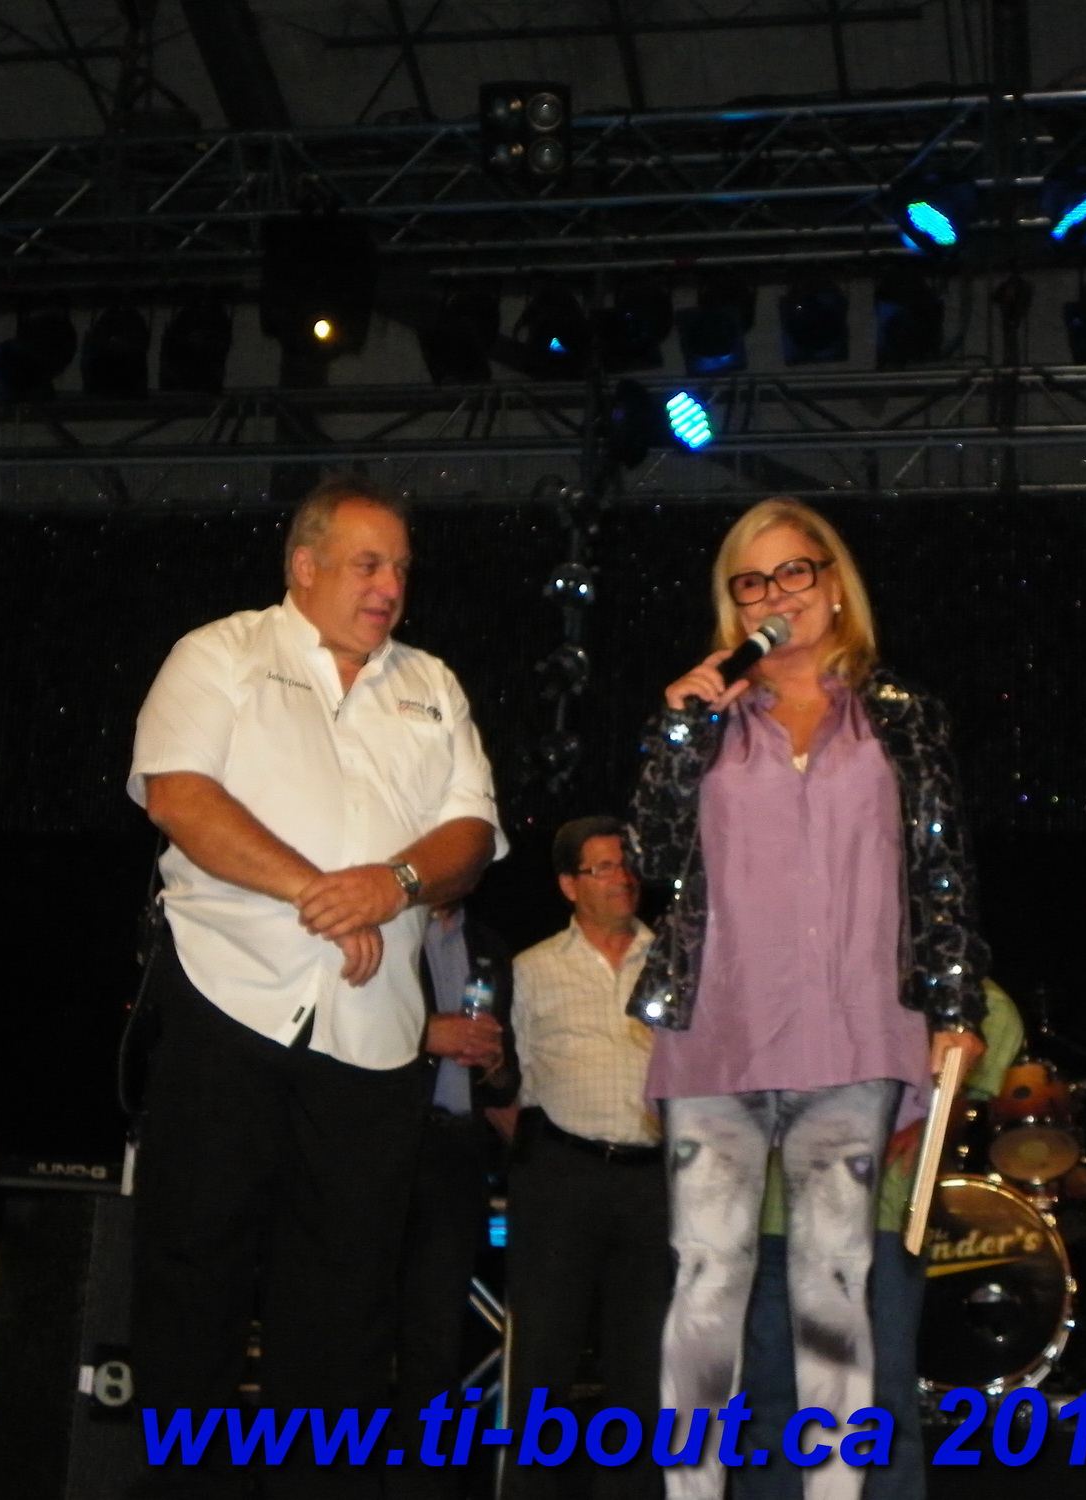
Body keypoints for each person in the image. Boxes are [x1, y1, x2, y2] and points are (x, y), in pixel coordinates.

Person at [125, 476, 505, 1498]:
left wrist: (395, 884)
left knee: (346, 1299)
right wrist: (323, 894)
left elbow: (472, 832)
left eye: (401, 569)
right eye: (368, 564)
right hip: (225, 1000)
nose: (390, 587)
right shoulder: (220, 653)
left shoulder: (433, 684)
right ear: (304, 566)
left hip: (373, 1038)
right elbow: (178, 797)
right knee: (193, 1274)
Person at [628, 497, 992, 1500]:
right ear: (733, 604)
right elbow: (650, 853)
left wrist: (956, 1011)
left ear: (833, 587)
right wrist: (677, 730)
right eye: (751, 582)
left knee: (834, 1285)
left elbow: (942, 872)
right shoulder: (706, 717)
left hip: (852, 1034)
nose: (774, 595)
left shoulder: (900, 714)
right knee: (706, 1279)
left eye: (794, 572)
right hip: (719, 1035)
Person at [732, 981, 1026, 1500]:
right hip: (777, 1212)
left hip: (874, 1218)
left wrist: (937, 1115)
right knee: (772, 1394)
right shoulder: (779, 952)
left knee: (880, 1398)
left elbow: (995, 1012)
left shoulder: (905, 951)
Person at [503, 816, 668, 1500]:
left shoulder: (674, 964)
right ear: (570, 885)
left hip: (654, 1181)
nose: (622, 878)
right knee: (543, 1358)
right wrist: (538, 1159)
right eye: (603, 867)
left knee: (644, 1365)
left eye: (626, 865)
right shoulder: (532, 967)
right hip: (561, 1175)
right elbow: (506, 1081)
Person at [392, 900, 520, 1500]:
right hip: (383, 1147)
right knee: (355, 1320)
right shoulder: (384, 924)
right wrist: (426, 1035)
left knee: (437, 1335)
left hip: (457, 1153)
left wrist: (494, 1063)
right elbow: (338, 1026)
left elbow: (505, 1078)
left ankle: (421, 1485)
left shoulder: (489, 945)